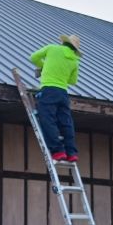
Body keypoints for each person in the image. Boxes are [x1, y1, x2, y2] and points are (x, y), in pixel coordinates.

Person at [29, 35, 81, 163]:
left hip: (49, 90)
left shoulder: (52, 48)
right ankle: (71, 152)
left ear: (64, 43)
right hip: (63, 93)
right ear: (74, 49)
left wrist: (45, 65)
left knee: (48, 119)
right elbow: (73, 81)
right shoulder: (75, 60)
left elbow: (33, 57)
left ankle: (58, 151)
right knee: (66, 122)